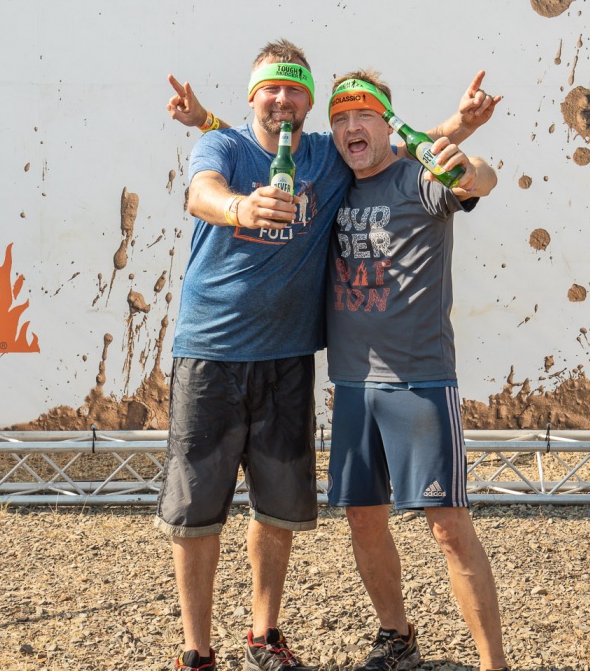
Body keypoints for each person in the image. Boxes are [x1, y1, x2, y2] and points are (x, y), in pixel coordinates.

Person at [161, 43, 498, 671]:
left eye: (295, 91)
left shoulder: (330, 157)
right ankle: (197, 652)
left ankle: (265, 637)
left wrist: (467, 140)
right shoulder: (226, 146)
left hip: (308, 361)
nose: (283, 100)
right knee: (200, 510)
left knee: (281, 509)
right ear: (253, 95)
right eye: (271, 89)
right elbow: (201, 191)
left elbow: (422, 154)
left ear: (308, 102)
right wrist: (238, 204)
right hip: (218, 353)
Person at [324, 71, 510, 671]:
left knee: (448, 527)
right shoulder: (331, 185)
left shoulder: (417, 176)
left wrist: (471, 168)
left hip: (420, 381)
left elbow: (476, 177)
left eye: (364, 115)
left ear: (388, 124)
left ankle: (493, 664)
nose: (352, 127)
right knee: (362, 519)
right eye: (340, 119)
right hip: (352, 384)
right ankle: (397, 637)